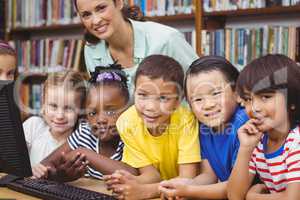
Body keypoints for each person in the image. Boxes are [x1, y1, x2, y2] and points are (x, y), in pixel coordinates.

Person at [104, 55, 201, 200]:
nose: (151, 107)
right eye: (143, 95)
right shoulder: (126, 122)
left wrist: (146, 191)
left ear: (178, 101)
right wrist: (131, 181)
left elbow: (188, 179)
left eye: (163, 98)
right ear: (134, 92)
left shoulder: (185, 120)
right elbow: (152, 175)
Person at [159, 56, 249, 199]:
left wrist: (188, 191)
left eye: (216, 93)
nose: (208, 105)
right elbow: (209, 175)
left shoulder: (244, 123)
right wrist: (186, 185)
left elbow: (236, 188)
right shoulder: (203, 128)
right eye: (198, 99)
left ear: (237, 93)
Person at [32, 64, 137, 181]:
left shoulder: (130, 138)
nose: (101, 119)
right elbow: (48, 163)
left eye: (111, 111)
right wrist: (57, 174)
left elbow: (134, 174)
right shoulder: (85, 132)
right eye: (92, 113)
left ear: (129, 111)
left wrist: (86, 154)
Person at [74, 0, 198, 95]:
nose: (95, 21)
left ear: (118, 3)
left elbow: (202, 86)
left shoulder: (167, 39)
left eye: (101, 8)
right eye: (86, 15)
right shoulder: (91, 50)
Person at [227, 54, 300, 200]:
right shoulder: (259, 142)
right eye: (248, 99)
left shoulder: (296, 142)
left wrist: (252, 197)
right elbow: (234, 196)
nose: (255, 108)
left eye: (265, 97)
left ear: (292, 100)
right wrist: (245, 148)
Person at [23, 71, 87, 169]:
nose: (60, 115)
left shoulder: (83, 141)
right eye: (53, 106)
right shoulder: (33, 126)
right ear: (43, 103)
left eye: (68, 108)